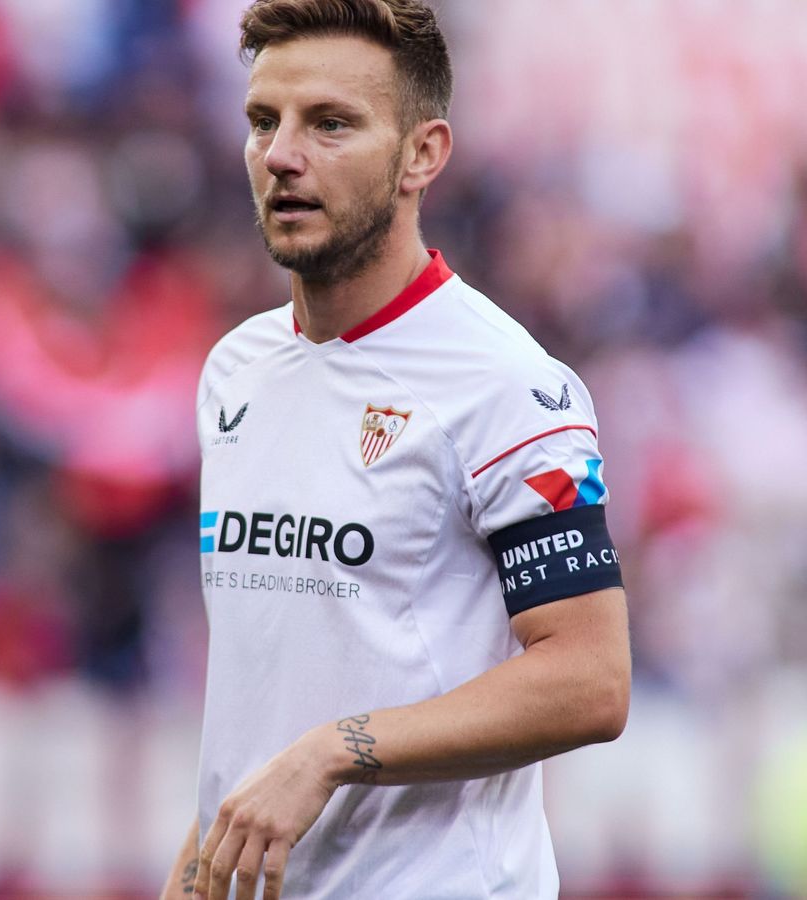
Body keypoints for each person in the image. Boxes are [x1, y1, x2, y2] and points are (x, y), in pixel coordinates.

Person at [160, 2, 631, 898]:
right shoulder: (236, 370)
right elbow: (264, 707)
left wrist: (337, 752)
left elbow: (590, 678)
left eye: (331, 123)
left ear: (424, 153)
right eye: (264, 122)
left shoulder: (508, 386)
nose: (283, 156)